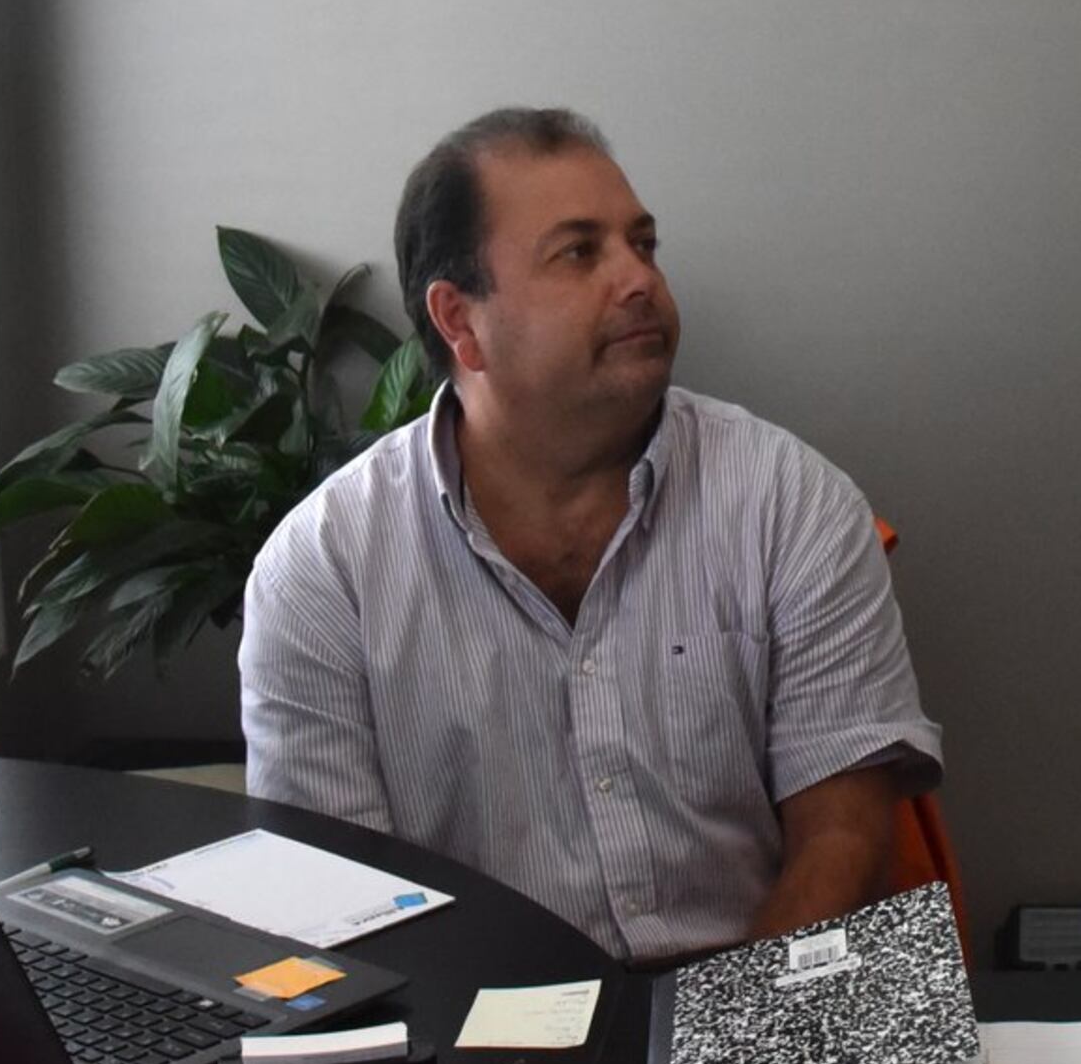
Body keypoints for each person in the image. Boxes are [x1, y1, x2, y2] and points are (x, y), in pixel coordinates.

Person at [240, 107, 940, 965]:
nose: (638, 278)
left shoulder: (791, 502)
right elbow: (339, 905)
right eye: (580, 252)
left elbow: (846, 842)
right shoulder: (321, 570)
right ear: (460, 321)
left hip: (755, 999)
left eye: (641, 244)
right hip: (485, 1040)